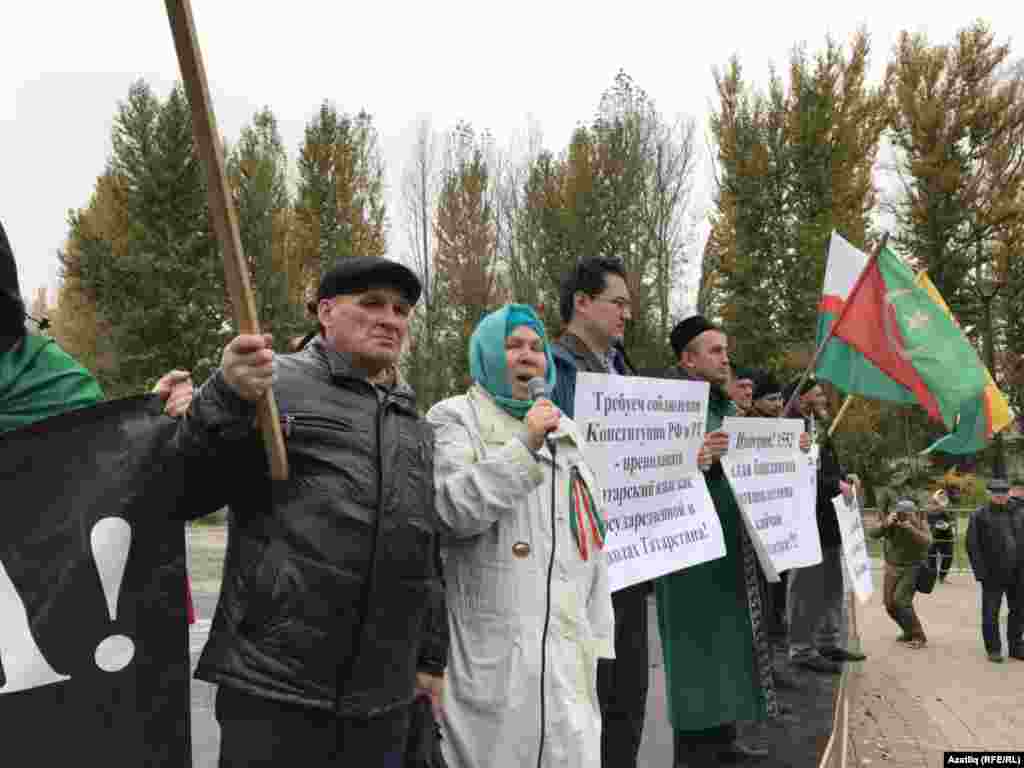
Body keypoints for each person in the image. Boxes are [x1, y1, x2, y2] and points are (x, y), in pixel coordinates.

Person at [171, 256, 447, 767]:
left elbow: (423, 548)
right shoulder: (267, 386)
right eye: (372, 304)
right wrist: (223, 396)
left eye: (401, 310)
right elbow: (185, 490)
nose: (390, 319)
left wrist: (432, 656)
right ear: (326, 312)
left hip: (383, 701)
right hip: (276, 691)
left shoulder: (414, 421)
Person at [427, 303, 614, 768]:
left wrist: (597, 636)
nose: (528, 355)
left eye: (536, 347)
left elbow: (590, 543)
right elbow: (452, 509)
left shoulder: (566, 430)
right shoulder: (454, 418)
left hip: (567, 660)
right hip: (493, 660)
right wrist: (524, 445)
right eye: (513, 346)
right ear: (488, 354)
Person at [654, 315, 774, 767]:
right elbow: (646, 470)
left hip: (730, 552)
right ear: (688, 360)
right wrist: (697, 457)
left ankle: (725, 738)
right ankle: (693, 753)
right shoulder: (667, 406)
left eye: (726, 350)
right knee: (695, 653)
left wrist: (792, 451)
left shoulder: (725, 407)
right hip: (689, 556)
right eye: (715, 351)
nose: (726, 359)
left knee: (730, 647)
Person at [549, 256, 648, 768]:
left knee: (629, 693)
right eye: (618, 303)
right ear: (582, 303)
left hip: (631, 559)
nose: (627, 314)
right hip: (582, 557)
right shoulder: (553, 369)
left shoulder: (623, 369)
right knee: (589, 697)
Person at [783, 377, 866, 674]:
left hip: (830, 520)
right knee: (805, 587)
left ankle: (827, 641)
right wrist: (835, 485)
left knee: (832, 584)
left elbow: (826, 467)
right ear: (801, 398)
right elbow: (800, 473)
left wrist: (846, 477)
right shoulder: (790, 428)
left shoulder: (819, 426)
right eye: (817, 394)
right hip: (807, 520)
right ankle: (802, 648)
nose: (823, 399)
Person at [966, 477, 1024, 663]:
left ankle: (1016, 647)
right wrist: (980, 573)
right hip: (992, 573)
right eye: (996, 493)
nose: (1000, 496)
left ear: (1009, 493)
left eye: (1004, 493)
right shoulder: (979, 515)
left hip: (1018, 571)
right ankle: (993, 649)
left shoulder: (1019, 512)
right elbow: (973, 545)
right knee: (991, 612)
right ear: (989, 494)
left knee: (1019, 611)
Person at [868, 498, 931, 649]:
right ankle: (908, 631)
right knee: (889, 604)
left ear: (914, 513)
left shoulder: (920, 522)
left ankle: (919, 636)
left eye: (908, 514)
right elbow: (873, 534)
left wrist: (910, 528)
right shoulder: (891, 521)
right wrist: (886, 524)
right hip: (892, 567)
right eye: (901, 513)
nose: (904, 516)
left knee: (901, 601)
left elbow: (928, 542)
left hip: (911, 568)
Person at [926, 489, 956, 583]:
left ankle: (942, 576)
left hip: (947, 535)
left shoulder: (948, 505)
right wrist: (940, 508)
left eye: (944, 495)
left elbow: (952, 519)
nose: (943, 496)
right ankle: (932, 576)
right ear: (936, 496)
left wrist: (949, 523)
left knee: (948, 556)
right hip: (934, 535)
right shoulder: (930, 505)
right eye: (940, 495)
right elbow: (929, 512)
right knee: (931, 556)